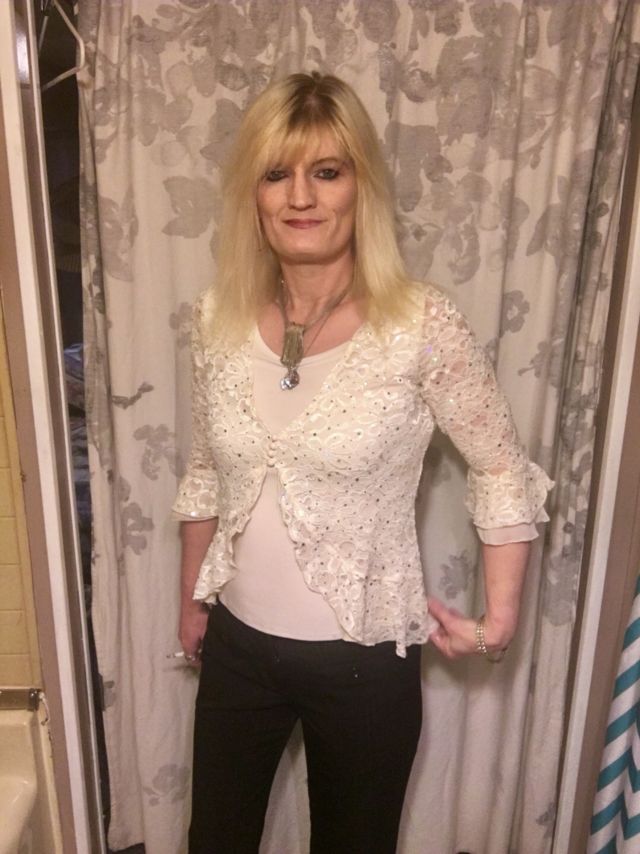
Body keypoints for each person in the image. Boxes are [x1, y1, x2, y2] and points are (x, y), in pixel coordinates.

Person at [172, 71, 553, 854]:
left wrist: (499, 619)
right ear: (253, 195)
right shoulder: (217, 319)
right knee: (213, 839)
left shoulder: (420, 324)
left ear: (361, 187)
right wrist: (192, 602)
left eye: (326, 171)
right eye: (276, 174)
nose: (300, 197)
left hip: (366, 664)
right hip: (238, 649)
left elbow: (500, 466)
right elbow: (207, 471)